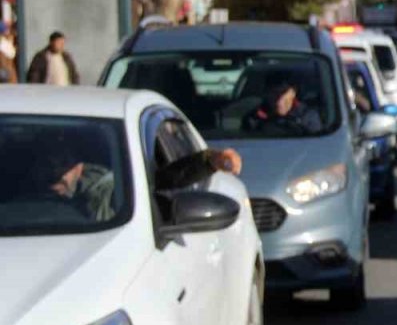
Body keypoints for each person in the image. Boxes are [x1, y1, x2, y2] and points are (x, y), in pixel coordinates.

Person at [35, 146, 241, 222]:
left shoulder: (117, 188)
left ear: (79, 167)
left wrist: (208, 161)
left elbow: (164, 179)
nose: (55, 180)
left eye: (62, 171)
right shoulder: (24, 201)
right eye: (47, 173)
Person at [242, 76, 323, 135]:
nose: (279, 101)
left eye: (283, 93)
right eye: (274, 94)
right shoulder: (256, 114)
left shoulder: (308, 116)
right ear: (266, 94)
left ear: (293, 93)